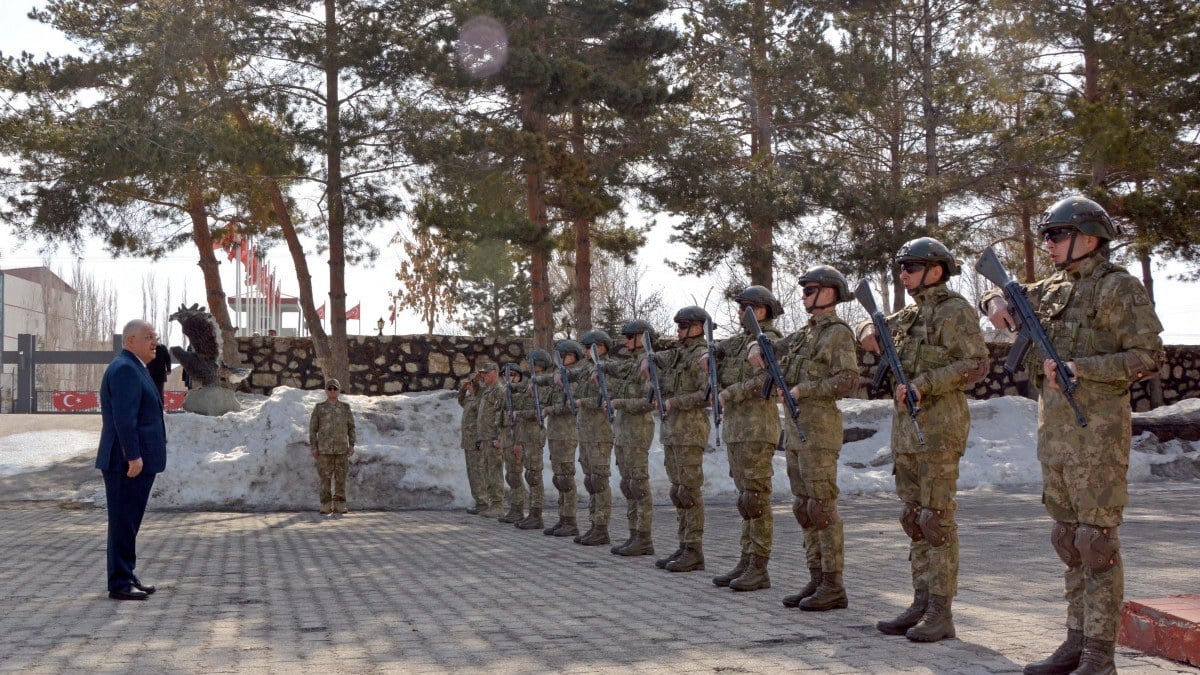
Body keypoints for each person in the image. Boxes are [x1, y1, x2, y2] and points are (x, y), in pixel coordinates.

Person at [981, 197, 1164, 674]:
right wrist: (996, 302)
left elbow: (1146, 356)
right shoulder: (1055, 289)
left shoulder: (1118, 287)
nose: (1048, 244)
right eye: (1047, 236)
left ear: (1087, 238)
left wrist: (1082, 368)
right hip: (1057, 436)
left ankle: (1099, 656)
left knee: (1096, 542)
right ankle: (1075, 642)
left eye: (1056, 236)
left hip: (1097, 435)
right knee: (1067, 539)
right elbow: (995, 295)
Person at [858, 237, 988, 642]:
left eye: (911, 266)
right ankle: (920, 601)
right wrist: (867, 330)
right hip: (907, 433)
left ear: (936, 270)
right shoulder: (909, 316)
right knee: (914, 519)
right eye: (902, 267)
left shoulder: (954, 311)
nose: (904, 274)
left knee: (936, 521)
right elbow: (870, 327)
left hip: (939, 429)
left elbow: (976, 363)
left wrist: (925, 383)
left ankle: (940, 611)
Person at [766, 266, 859, 611]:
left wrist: (807, 389)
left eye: (811, 290)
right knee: (804, 508)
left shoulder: (837, 333)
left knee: (822, 507)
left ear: (831, 292)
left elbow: (849, 380)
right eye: (803, 291)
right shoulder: (805, 335)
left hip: (819, 430)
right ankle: (817, 576)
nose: (804, 296)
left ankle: (834, 584)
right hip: (796, 429)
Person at [706, 286, 784, 592]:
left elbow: (768, 377)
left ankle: (759, 566)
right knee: (744, 499)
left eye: (744, 308)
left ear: (761, 310)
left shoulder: (771, 339)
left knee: (756, 498)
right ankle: (746, 558)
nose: (738, 313)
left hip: (757, 429)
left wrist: (731, 392)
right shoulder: (738, 343)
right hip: (737, 429)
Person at [96, 319, 168, 601]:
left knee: (127, 522)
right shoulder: (125, 369)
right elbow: (124, 418)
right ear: (130, 341)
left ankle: (126, 573)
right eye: (148, 337)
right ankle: (120, 582)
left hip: (132, 459)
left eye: (155, 336)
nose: (155, 342)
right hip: (125, 462)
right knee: (123, 521)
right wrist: (133, 455)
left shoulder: (134, 366)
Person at [644, 306, 712, 573]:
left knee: (689, 491)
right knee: (678, 491)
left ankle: (694, 549)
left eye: (683, 326)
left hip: (690, 430)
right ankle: (684, 544)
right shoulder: (679, 354)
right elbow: (662, 360)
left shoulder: (701, 355)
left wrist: (674, 402)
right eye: (678, 326)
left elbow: (705, 394)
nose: (678, 331)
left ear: (697, 327)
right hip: (673, 430)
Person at [606, 320, 657, 557]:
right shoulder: (632, 364)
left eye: (630, 337)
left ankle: (644, 536)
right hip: (624, 430)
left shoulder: (649, 363)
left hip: (637, 430)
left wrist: (621, 403)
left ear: (642, 337)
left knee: (638, 484)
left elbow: (649, 401)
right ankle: (634, 534)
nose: (625, 342)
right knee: (628, 485)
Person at [535, 340, 586, 537]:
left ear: (572, 355)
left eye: (563, 356)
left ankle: (570, 520)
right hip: (555, 433)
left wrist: (549, 409)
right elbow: (548, 397)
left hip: (567, 432)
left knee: (566, 478)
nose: (559, 360)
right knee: (559, 477)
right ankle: (562, 518)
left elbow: (569, 405)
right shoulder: (559, 375)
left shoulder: (575, 376)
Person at [572, 329, 616, 546]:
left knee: (599, 480)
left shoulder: (607, 368)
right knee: (590, 480)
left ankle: (601, 526)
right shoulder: (587, 369)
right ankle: (594, 524)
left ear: (600, 347)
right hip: (586, 432)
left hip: (600, 432)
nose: (585, 352)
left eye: (589, 348)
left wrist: (583, 403)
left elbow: (604, 396)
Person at [513, 350, 554, 530]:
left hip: (535, 434)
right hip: (525, 434)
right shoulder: (531, 382)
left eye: (530, 362)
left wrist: (519, 413)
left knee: (534, 474)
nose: (527, 365)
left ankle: (536, 514)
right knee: (530, 473)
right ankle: (532, 513)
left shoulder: (543, 383)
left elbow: (541, 410)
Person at [309, 378, 356, 515]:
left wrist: (351, 444)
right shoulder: (319, 408)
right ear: (326, 390)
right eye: (329, 388)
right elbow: (313, 429)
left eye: (335, 388)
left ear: (339, 390)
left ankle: (340, 505)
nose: (332, 391)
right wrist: (314, 447)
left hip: (342, 450)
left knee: (340, 478)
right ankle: (325, 505)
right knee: (325, 479)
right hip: (324, 450)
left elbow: (351, 427)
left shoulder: (345, 408)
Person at [474, 361, 507, 518]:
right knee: (487, 472)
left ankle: (498, 505)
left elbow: (501, 416)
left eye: (486, 373)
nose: (483, 376)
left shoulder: (499, 391)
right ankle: (491, 503)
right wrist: (481, 439)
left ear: (495, 372)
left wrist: (499, 438)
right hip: (486, 439)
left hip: (493, 440)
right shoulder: (487, 391)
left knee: (494, 472)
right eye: (482, 373)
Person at [496, 364, 528, 524]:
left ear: (520, 377)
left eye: (513, 375)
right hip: (506, 438)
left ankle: (518, 509)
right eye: (506, 375)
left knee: (515, 475)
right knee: (510, 475)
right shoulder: (505, 394)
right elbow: (500, 419)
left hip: (516, 438)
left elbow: (522, 422)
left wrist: (519, 443)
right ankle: (514, 509)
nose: (509, 378)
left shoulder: (521, 394)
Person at [457, 371, 487, 514]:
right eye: (468, 385)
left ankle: (483, 502)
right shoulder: (469, 399)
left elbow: (482, 421)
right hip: (468, 442)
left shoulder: (480, 399)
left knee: (478, 473)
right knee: (472, 473)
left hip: (476, 441)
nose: (469, 387)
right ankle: (478, 501)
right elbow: (460, 400)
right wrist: (462, 389)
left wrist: (475, 380)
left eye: (471, 384)